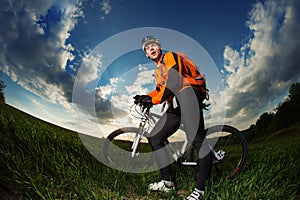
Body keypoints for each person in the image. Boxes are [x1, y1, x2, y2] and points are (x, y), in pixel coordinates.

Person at [133, 36, 213, 200]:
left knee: (197, 139)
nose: (151, 48)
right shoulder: (158, 71)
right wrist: (145, 97)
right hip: (175, 103)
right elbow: (159, 91)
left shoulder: (170, 56)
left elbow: (175, 80)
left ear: (159, 47)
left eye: (153, 45)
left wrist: (153, 100)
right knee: (155, 138)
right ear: (147, 55)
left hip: (188, 94)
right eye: (148, 48)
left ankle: (200, 191)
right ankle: (167, 183)